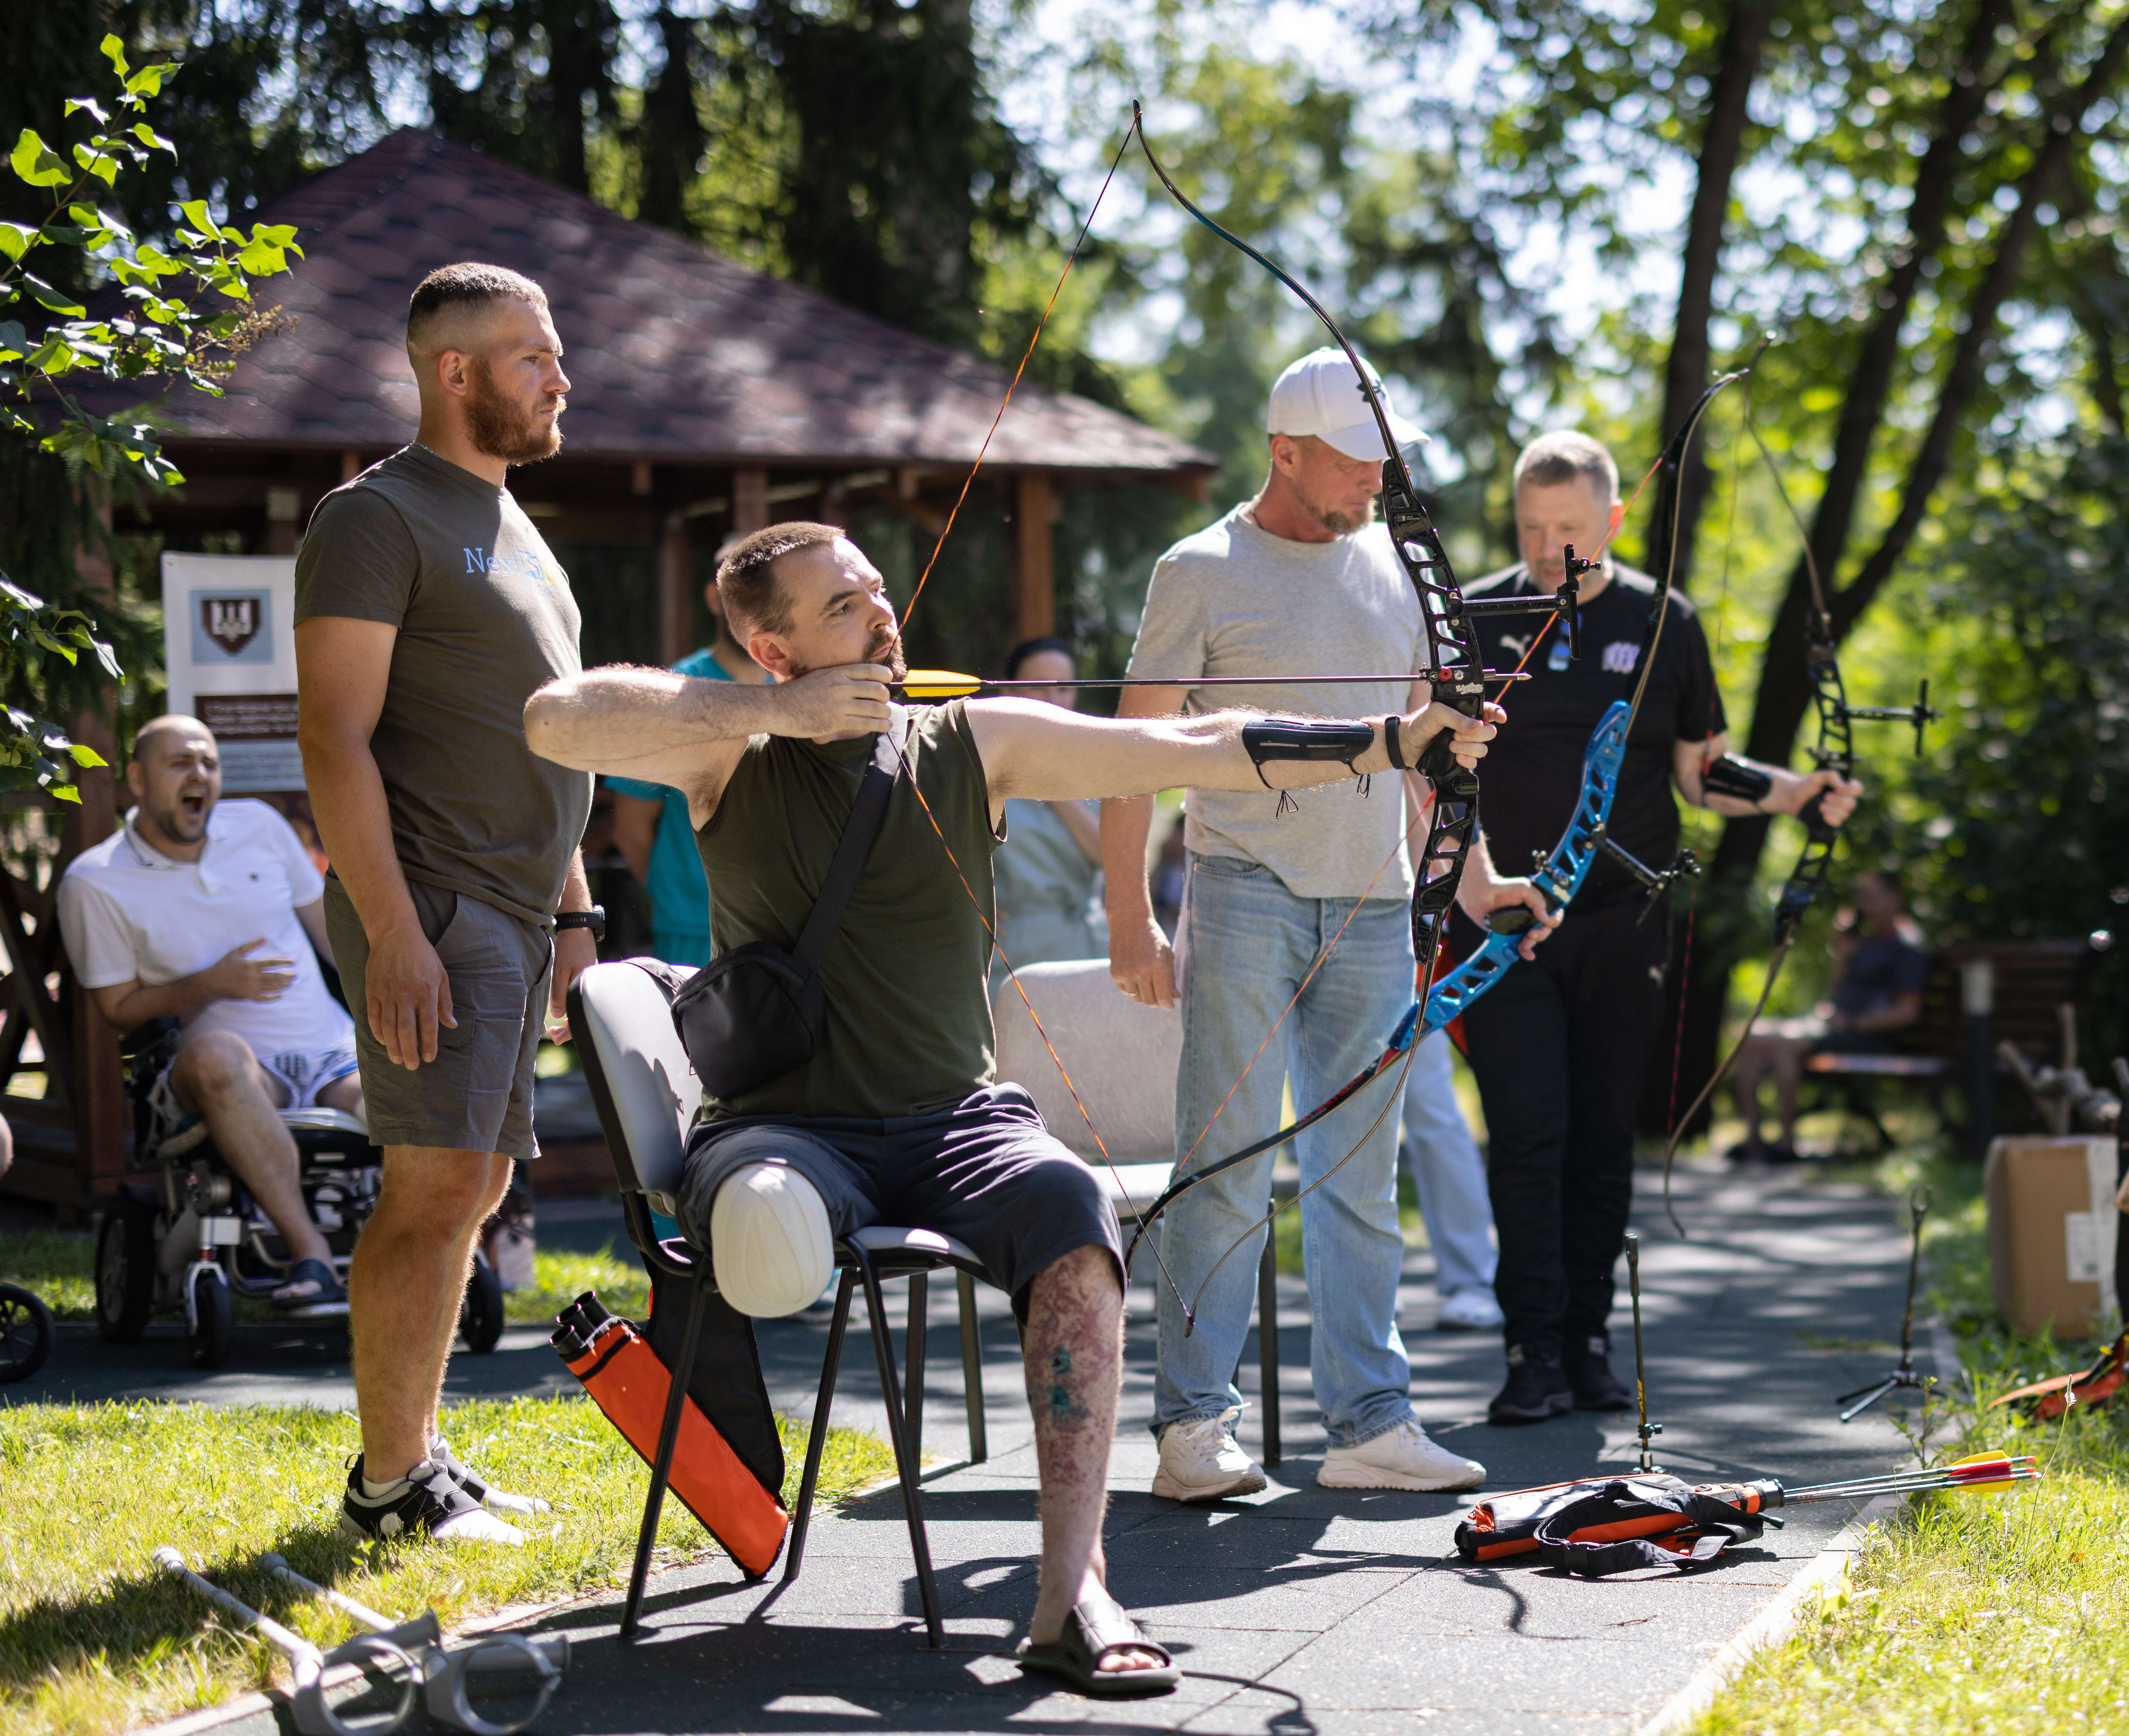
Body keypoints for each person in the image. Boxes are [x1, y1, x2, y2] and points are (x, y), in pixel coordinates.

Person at [521, 520, 1500, 1695]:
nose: (879, 614)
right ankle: (770, 1250)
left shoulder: (970, 738)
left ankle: (1071, 1587)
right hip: (785, 1126)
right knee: (769, 1213)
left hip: (954, 1123)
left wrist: (1389, 739)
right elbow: (554, 719)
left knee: (1071, 1209)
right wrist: (771, 712)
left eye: (874, 590)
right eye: (839, 607)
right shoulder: (728, 752)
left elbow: (1186, 743)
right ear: (771, 648)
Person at [1104, 348, 1549, 1502]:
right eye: (1353, 462)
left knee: (1359, 1169)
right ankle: (1193, 1427)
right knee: (1226, 1163)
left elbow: (1420, 755)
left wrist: (1479, 882)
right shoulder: (1198, 570)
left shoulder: (1396, 571)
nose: (1374, 482)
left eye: (1383, 463)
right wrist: (1130, 920)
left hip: (1373, 902)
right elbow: (1130, 756)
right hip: (1241, 888)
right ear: (1284, 452)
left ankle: (1368, 1423)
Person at [1453, 431, 1858, 1425]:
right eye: (1531, 528)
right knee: (1527, 1134)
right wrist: (1481, 885)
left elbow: (1700, 771)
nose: (1548, 549)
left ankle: (1588, 1343)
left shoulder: (1663, 619)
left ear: (1613, 519)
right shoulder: (1471, 615)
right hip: (1505, 922)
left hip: (1622, 917)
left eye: (1569, 529)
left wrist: (1796, 792)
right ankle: (1531, 1349)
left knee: (1602, 1133)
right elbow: (1439, 776)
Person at [296, 261, 594, 1544]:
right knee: (434, 1185)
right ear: (454, 371)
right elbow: (332, 737)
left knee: (473, 1184)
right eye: (533, 355)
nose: (561, 376)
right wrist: (397, 932)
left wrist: (574, 918)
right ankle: (390, 1484)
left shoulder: (514, 522)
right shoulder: (376, 517)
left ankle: (418, 1454)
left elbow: (551, 737)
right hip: (435, 898)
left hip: (519, 909)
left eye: (556, 352)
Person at [58, 715, 359, 1314]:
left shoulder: (261, 825)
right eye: (180, 763)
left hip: (334, 1054)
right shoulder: (94, 880)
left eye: (209, 763)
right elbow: (117, 1010)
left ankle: (417, 1263)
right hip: (232, 1076)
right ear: (138, 779)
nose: (199, 774)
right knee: (219, 1056)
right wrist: (211, 984)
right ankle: (313, 1255)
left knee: (413, 1074)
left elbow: (334, 936)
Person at [606, 575, 773, 967]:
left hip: (790, 927)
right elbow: (630, 831)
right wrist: (680, 898)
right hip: (692, 929)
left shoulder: (802, 691)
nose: (759, 605)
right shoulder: (670, 695)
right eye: (746, 589)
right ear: (715, 597)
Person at [1730, 870, 1930, 1160]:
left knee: (1785, 1044)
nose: (1864, 907)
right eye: (1861, 899)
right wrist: (1842, 955)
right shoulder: (1861, 944)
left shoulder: (1906, 949)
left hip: (1866, 1036)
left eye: (1871, 899)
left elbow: (1908, 1012)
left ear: (1894, 899)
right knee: (1749, 1037)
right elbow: (1834, 994)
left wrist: (1854, 1023)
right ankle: (1753, 1140)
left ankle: (1786, 1143)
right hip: (1831, 1026)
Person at [989, 635, 1107, 984]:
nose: (1053, 700)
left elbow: (1112, 854)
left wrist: (1049, 776)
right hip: (1012, 949)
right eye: (1038, 687)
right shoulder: (983, 765)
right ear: (1008, 692)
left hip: (1086, 945)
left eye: (1064, 688)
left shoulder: (1101, 762)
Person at [1398, 1036, 1500, 1329]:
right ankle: (1362, 1283)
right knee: (1340, 1120)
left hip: (1408, 1004)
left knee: (1429, 1105)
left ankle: (1475, 1279)